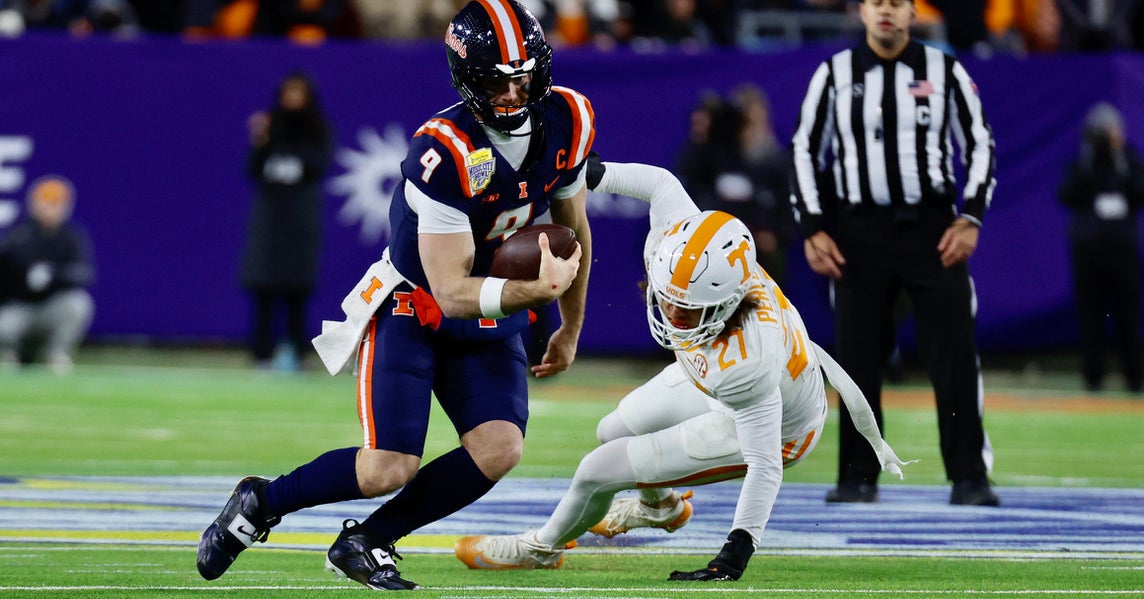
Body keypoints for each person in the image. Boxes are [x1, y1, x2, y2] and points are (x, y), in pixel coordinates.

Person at [197, 0, 594, 591]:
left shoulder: (570, 119)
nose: (513, 94)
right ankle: (263, 500)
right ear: (466, 78)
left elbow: (575, 231)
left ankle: (366, 540)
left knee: (500, 448)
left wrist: (569, 325)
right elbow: (451, 290)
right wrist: (533, 291)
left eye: (523, 77)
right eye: (496, 81)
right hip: (415, 306)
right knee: (387, 467)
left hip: (493, 311)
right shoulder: (444, 151)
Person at [453, 158, 908, 580]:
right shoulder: (681, 236)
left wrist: (737, 550)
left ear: (728, 302)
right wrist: (584, 172)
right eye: (667, 297)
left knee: (597, 469)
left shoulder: (749, 359)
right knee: (613, 429)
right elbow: (661, 184)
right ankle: (661, 508)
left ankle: (541, 547)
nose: (671, 314)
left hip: (774, 423)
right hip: (715, 378)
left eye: (687, 309)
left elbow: (764, 465)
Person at [790, 0, 999, 506]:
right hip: (859, 232)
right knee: (857, 358)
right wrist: (814, 227)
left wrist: (970, 216)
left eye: (897, 3)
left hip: (932, 231)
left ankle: (969, 475)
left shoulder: (943, 69)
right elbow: (803, 149)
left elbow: (980, 142)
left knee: (953, 355)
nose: (886, 11)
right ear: (862, 11)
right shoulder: (835, 74)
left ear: (912, 11)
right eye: (877, 2)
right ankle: (858, 475)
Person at [239, 71, 333, 371]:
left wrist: (291, 147)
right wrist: (262, 140)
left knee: (296, 286)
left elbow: (318, 164)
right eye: (288, 92)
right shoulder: (269, 124)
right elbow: (253, 169)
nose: (293, 99)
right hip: (271, 217)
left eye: (299, 92)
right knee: (263, 284)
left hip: (300, 217)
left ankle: (294, 351)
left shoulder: (317, 128)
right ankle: (261, 353)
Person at [1058, 102, 1144, 394]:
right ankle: (1093, 378)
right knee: (1090, 314)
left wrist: (1120, 160)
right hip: (1089, 249)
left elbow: (1139, 190)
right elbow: (1066, 194)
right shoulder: (1084, 161)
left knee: (1128, 314)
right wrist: (1088, 161)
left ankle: (1134, 377)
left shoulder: (1128, 158)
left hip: (1122, 248)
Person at [0, 175, 95, 374]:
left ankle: (56, 355)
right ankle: (8, 355)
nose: (50, 209)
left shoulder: (70, 237)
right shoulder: (19, 235)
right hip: (20, 307)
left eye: (56, 203)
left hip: (50, 307)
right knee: (5, 324)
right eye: (45, 203)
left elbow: (84, 273)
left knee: (77, 304)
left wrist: (54, 275)